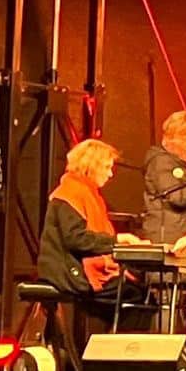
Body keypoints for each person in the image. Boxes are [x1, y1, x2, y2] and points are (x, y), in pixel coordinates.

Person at [39, 138, 125, 328]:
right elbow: (76, 239)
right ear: (91, 166)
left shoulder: (87, 193)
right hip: (69, 272)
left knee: (136, 290)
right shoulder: (70, 193)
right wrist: (117, 241)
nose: (110, 174)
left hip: (77, 267)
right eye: (107, 167)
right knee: (134, 294)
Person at [141, 110, 186, 247]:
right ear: (169, 136)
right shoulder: (161, 161)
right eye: (183, 134)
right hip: (168, 238)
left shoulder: (181, 162)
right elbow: (177, 197)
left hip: (182, 236)